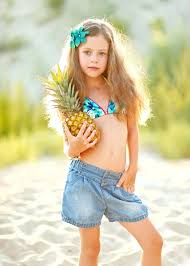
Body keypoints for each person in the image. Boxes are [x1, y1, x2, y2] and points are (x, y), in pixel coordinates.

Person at [45, 18, 163, 266]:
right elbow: (70, 147)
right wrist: (73, 148)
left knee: (153, 242)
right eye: (87, 52)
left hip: (117, 181)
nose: (94, 59)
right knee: (91, 249)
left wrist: (133, 168)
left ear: (112, 56)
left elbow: (132, 131)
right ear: (76, 53)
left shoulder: (122, 88)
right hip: (85, 179)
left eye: (102, 53)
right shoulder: (73, 95)